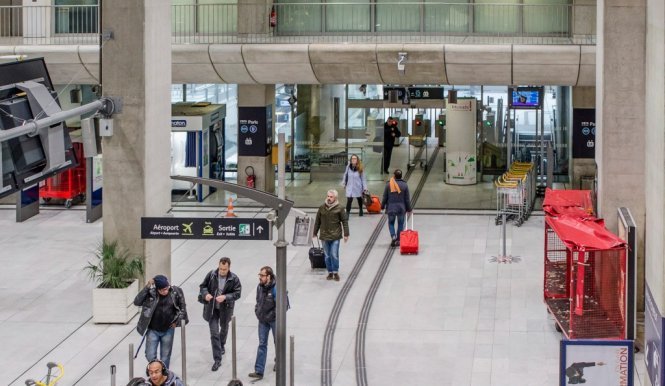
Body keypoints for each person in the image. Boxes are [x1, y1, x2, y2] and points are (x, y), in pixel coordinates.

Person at [134, 275, 188, 369]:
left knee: (166, 356)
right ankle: (156, 370)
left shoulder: (175, 292)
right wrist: (147, 287)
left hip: (168, 329)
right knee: (150, 355)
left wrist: (177, 322)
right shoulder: (151, 293)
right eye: (162, 290)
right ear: (157, 289)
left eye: (167, 288)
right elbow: (137, 302)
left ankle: (163, 375)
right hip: (153, 330)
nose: (165, 291)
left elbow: (182, 308)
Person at [199, 257, 242, 372]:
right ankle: (217, 359)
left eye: (225, 269)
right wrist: (206, 294)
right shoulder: (211, 275)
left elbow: (237, 293)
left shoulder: (234, 279)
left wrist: (225, 297)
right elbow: (202, 287)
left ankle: (222, 344)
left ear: (229, 268)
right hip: (212, 309)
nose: (222, 271)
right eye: (221, 269)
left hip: (225, 309)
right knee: (214, 333)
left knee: (224, 329)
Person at [313, 189, 350, 281]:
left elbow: (344, 221)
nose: (329, 198)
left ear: (335, 198)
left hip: (335, 236)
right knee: (327, 255)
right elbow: (318, 221)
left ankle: (335, 272)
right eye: (328, 196)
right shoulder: (322, 208)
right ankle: (330, 272)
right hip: (324, 236)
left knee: (334, 254)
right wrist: (314, 232)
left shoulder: (340, 208)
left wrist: (346, 234)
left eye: (331, 197)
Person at [248, 266, 277, 381]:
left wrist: (272, 315)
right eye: (259, 275)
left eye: (262, 275)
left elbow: (281, 305)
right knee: (262, 344)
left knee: (278, 342)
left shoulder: (276, 288)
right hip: (262, 320)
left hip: (274, 320)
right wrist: (257, 311)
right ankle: (259, 370)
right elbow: (258, 301)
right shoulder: (259, 287)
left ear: (268, 276)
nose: (260, 277)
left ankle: (279, 362)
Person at [381, 169, 412, 247]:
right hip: (401, 208)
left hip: (391, 208)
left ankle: (393, 236)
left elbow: (385, 197)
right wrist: (409, 209)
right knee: (400, 223)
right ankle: (398, 240)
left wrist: (382, 206)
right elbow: (407, 199)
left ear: (394, 176)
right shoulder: (405, 185)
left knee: (391, 223)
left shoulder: (388, 185)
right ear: (401, 176)